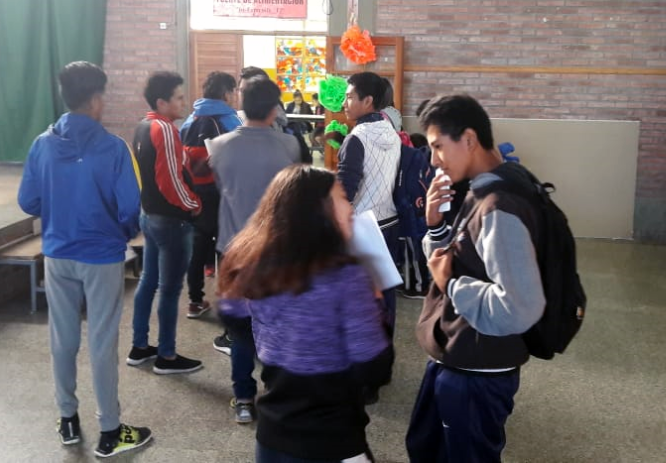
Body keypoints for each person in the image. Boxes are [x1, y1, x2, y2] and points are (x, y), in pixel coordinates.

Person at [18, 61, 152, 458]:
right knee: (102, 340)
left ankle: (68, 420)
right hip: (101, 256)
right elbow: (130, 208)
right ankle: (109, 430)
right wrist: (121, 233)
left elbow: (28, 201)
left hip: (57, 254)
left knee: (62, 338)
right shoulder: (113, 148)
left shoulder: (42, 144)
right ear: (95, 99)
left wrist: (59, 211)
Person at [405, 94, 546, 463]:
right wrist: (435, 225)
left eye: (438, 146)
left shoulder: (501, 205)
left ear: (468, 139)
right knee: (426, 447)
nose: (433, 159)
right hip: (456, 351)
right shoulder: (481, 188)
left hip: (479, 366)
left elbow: (519, 307)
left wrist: (450, 284)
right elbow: (462, 257)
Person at [218, 165, 393, 463]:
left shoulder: (255, 264)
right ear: (319, 211)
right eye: (342, 197)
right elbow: (375, 367)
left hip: (272, 436)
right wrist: (376, 305)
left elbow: (230, 313)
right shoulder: (347, 277)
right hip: (332, 440)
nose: (350, 208)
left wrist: (276, 351)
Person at [207, 76, 301, 423]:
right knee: (276, 322)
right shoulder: (289, 146)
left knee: (240, 328)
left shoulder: (219, 146)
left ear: (241, 105)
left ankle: (244, 398)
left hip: (233, 249)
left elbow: (222, 187)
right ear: (275, 108)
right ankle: (276, 393)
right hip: (275, 249)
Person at [129, 71, 203, 375]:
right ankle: (167, 356)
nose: (184, 102)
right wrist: (194, 205)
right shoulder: (165, 129)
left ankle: (139, 347)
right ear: (162, 102)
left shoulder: (142, 126)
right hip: (171, 221)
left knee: (149, 281)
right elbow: (170, 181)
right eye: (179, 97)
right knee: (170, 289)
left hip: (149, 215)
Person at [338, 72, 402, 335]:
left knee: (360, 297)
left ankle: (364, 349)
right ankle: (384, 345)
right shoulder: (393, 133)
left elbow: (345, 191)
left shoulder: (357, 137)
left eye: (349, 97)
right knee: (385, 292)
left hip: (363, 227)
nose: (344, 103)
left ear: (368, 101)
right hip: (390, 222)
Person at [179, 70, 242, 319]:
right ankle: (227, 302)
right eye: (233, 92)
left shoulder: (189, 120)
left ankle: (194, 301)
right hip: (224, 193)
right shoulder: (230, 120)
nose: (235, 96)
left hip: (196, 194)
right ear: (226, 93)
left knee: (197, 247)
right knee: (226, 246)